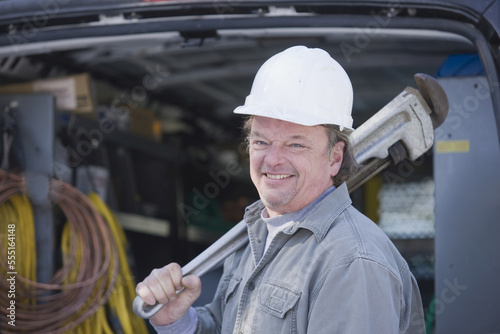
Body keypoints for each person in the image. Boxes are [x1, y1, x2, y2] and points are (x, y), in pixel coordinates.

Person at [136, 45, 426, 333]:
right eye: (261, 142)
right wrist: (178, 322)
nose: (272, 160)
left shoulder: (352, 262)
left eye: (295, 144)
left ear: (335, 157)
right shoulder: (254, 236)